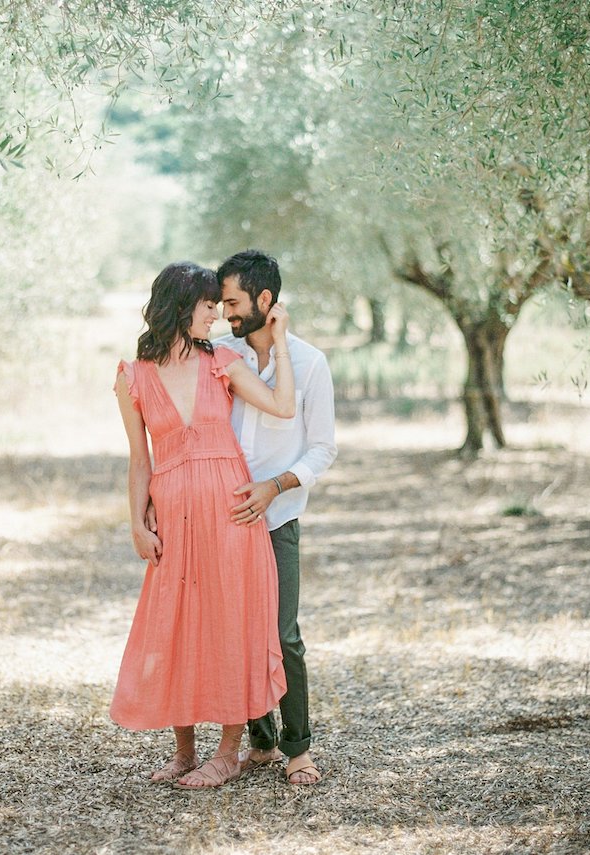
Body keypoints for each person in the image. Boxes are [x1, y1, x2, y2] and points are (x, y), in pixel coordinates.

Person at [110, 260, 297, 790]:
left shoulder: (223, 362)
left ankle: (229, 752)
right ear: (180, 306)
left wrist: (281, 341)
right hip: (174, 520)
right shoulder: (133, 376)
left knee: (230, 623)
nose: (215, 315)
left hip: (231, 516)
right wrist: (136, 523)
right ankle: (184, 752)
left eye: (218, 305)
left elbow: (283, 406)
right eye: (208, 305)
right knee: (176, 627)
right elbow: (139, 459)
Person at [214, 249, 337, 786]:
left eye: (233, 303)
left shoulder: (309, 363)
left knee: (284, 635)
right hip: (226, 520)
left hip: (279, 518)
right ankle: (260, 742)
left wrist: (275, 487)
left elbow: (323, 449)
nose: (226, 314)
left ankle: (298, 749)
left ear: (265, 300)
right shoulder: (223, 356)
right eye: (222, 304)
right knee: (239, 634)